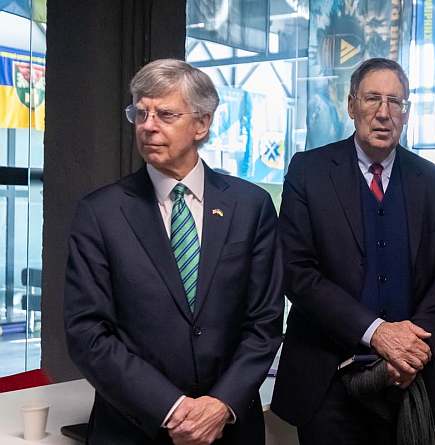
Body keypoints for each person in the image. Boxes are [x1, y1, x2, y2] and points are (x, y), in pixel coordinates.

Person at [64, 59, 284, 445]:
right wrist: (171, 408)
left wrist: (220, 404)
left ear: (202, 123)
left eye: (165, 114)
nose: (148, 125)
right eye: (140, 113)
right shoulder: (100, 213)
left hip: (230, 429)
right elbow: (88, 332)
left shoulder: (251, 206)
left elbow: (264, 323)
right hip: (133, 430)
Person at [271, 57, 435, 444]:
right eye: (372, 98)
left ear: (406, 112)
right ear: (351, 105)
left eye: (395, 102)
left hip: (405, 381)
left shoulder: (430, 180)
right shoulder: (309, 172)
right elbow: (296, 271)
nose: (383, 112)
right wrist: (376, 333)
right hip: (327, 383)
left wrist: (415, 348)